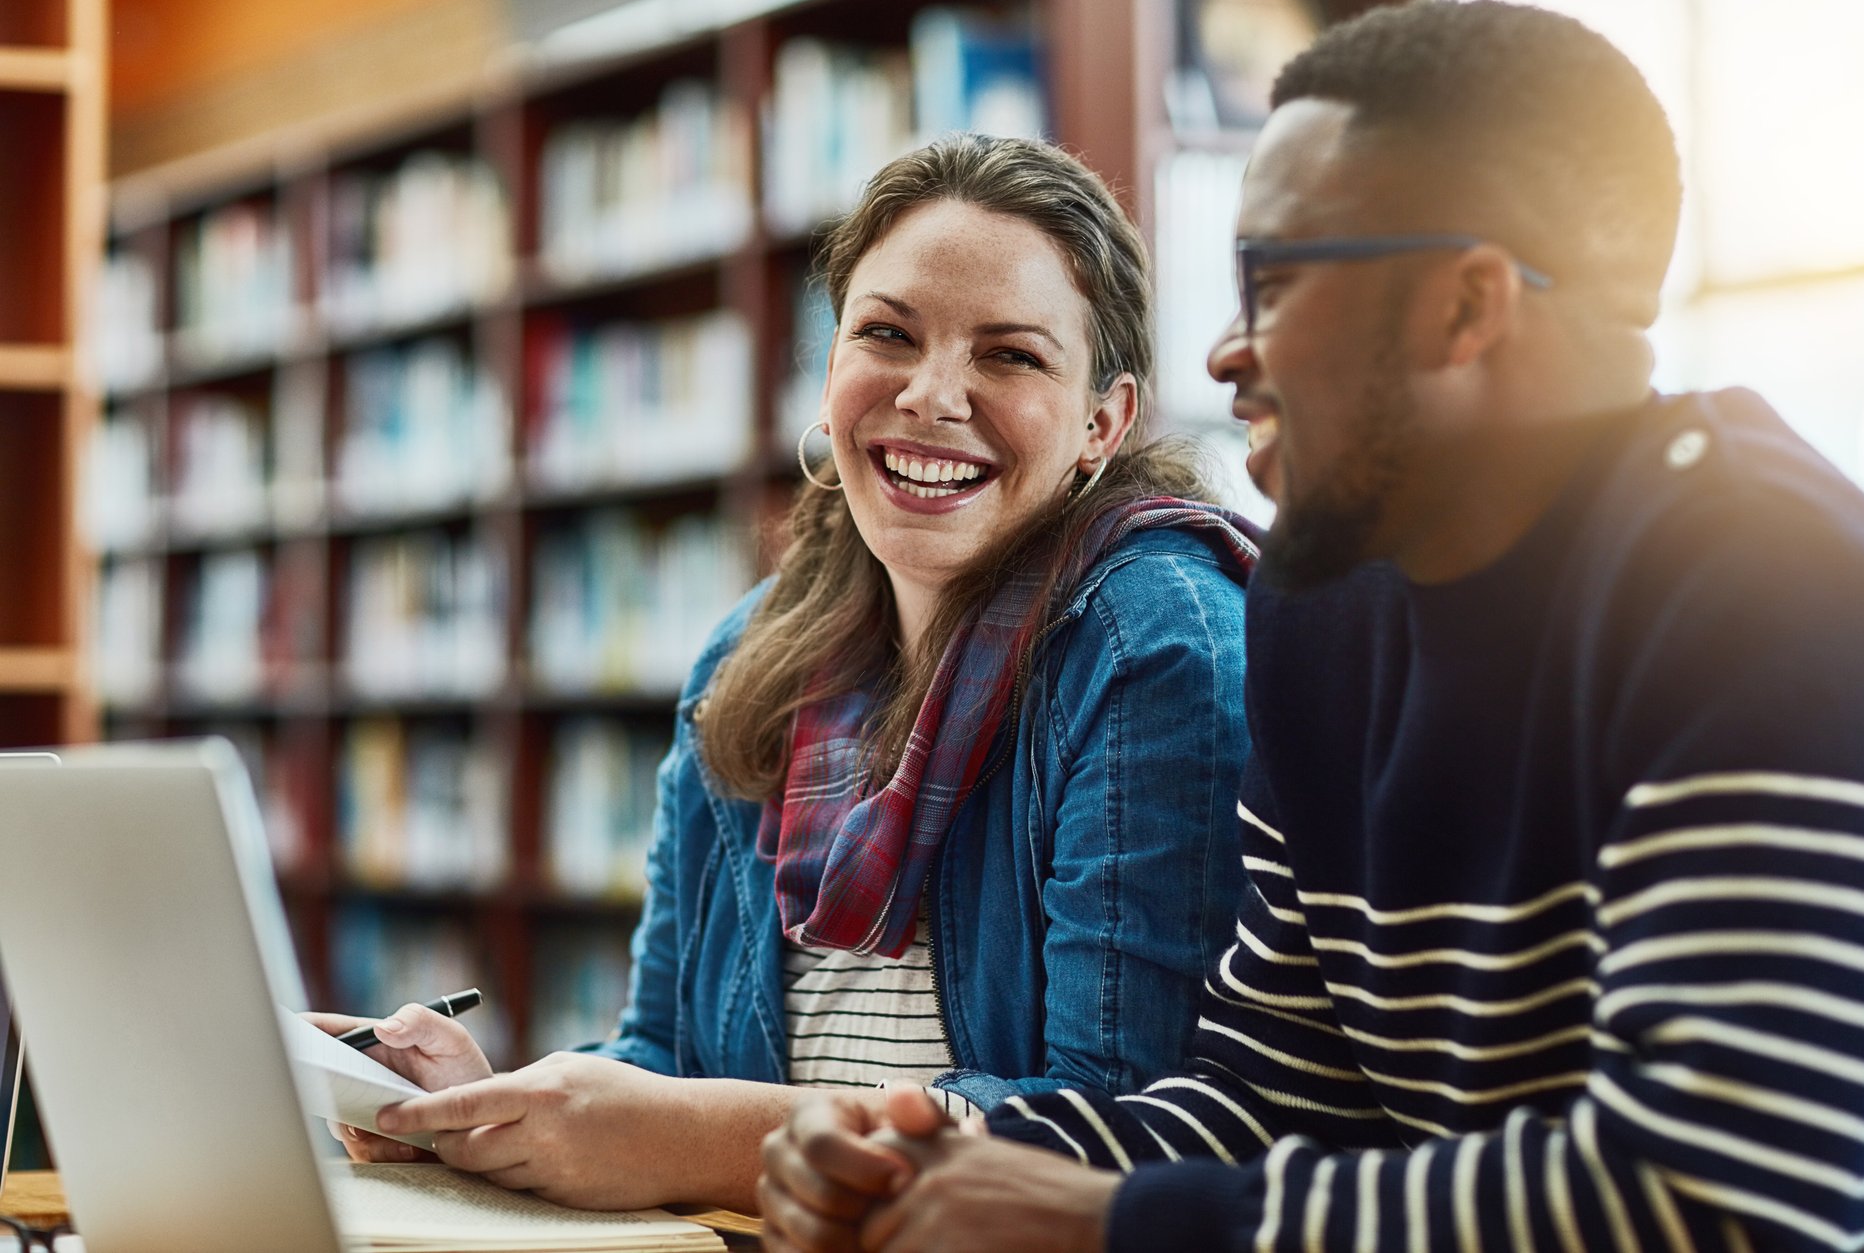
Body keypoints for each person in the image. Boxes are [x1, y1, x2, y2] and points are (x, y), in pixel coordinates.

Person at [758, 0, 1864, 1253]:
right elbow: (1265, 1105)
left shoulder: (1763, 585)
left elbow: (1715, 1204)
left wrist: (1102, 1216)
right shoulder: (1321, 611)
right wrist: (927, 1152)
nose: (1226, 351)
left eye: (1275, 282)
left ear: (1462, 310)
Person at [307, 133, 1259, 1214]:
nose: (930, 395)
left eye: (1010, 356)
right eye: (886, 334)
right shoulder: (751, 655)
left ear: (1104, 420)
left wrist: (711, 1141)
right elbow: (667, 1058)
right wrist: (482, 1112)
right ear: (829, 365)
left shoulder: (1155, 640)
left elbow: (1135, 1127)